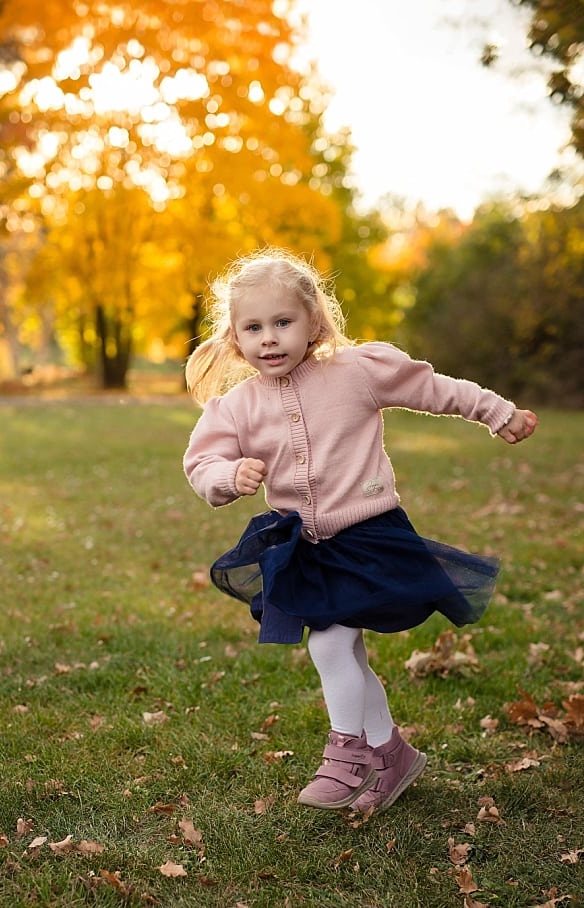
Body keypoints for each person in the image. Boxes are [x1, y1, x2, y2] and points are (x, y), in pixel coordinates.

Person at [182, 249, 537, 815]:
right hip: (307, 546)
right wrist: (229, 474)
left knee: (330, 642)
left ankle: (348, 751)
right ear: (234, 338)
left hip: (369, 536)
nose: (269, 338)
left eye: (283, 322)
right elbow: (200, 466)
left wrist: (497, 412)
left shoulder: (355, 371)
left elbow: (434, 388)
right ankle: (391, 754)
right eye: (253, 327)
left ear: (314, 322)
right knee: (344, 649)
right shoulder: (236, 407)